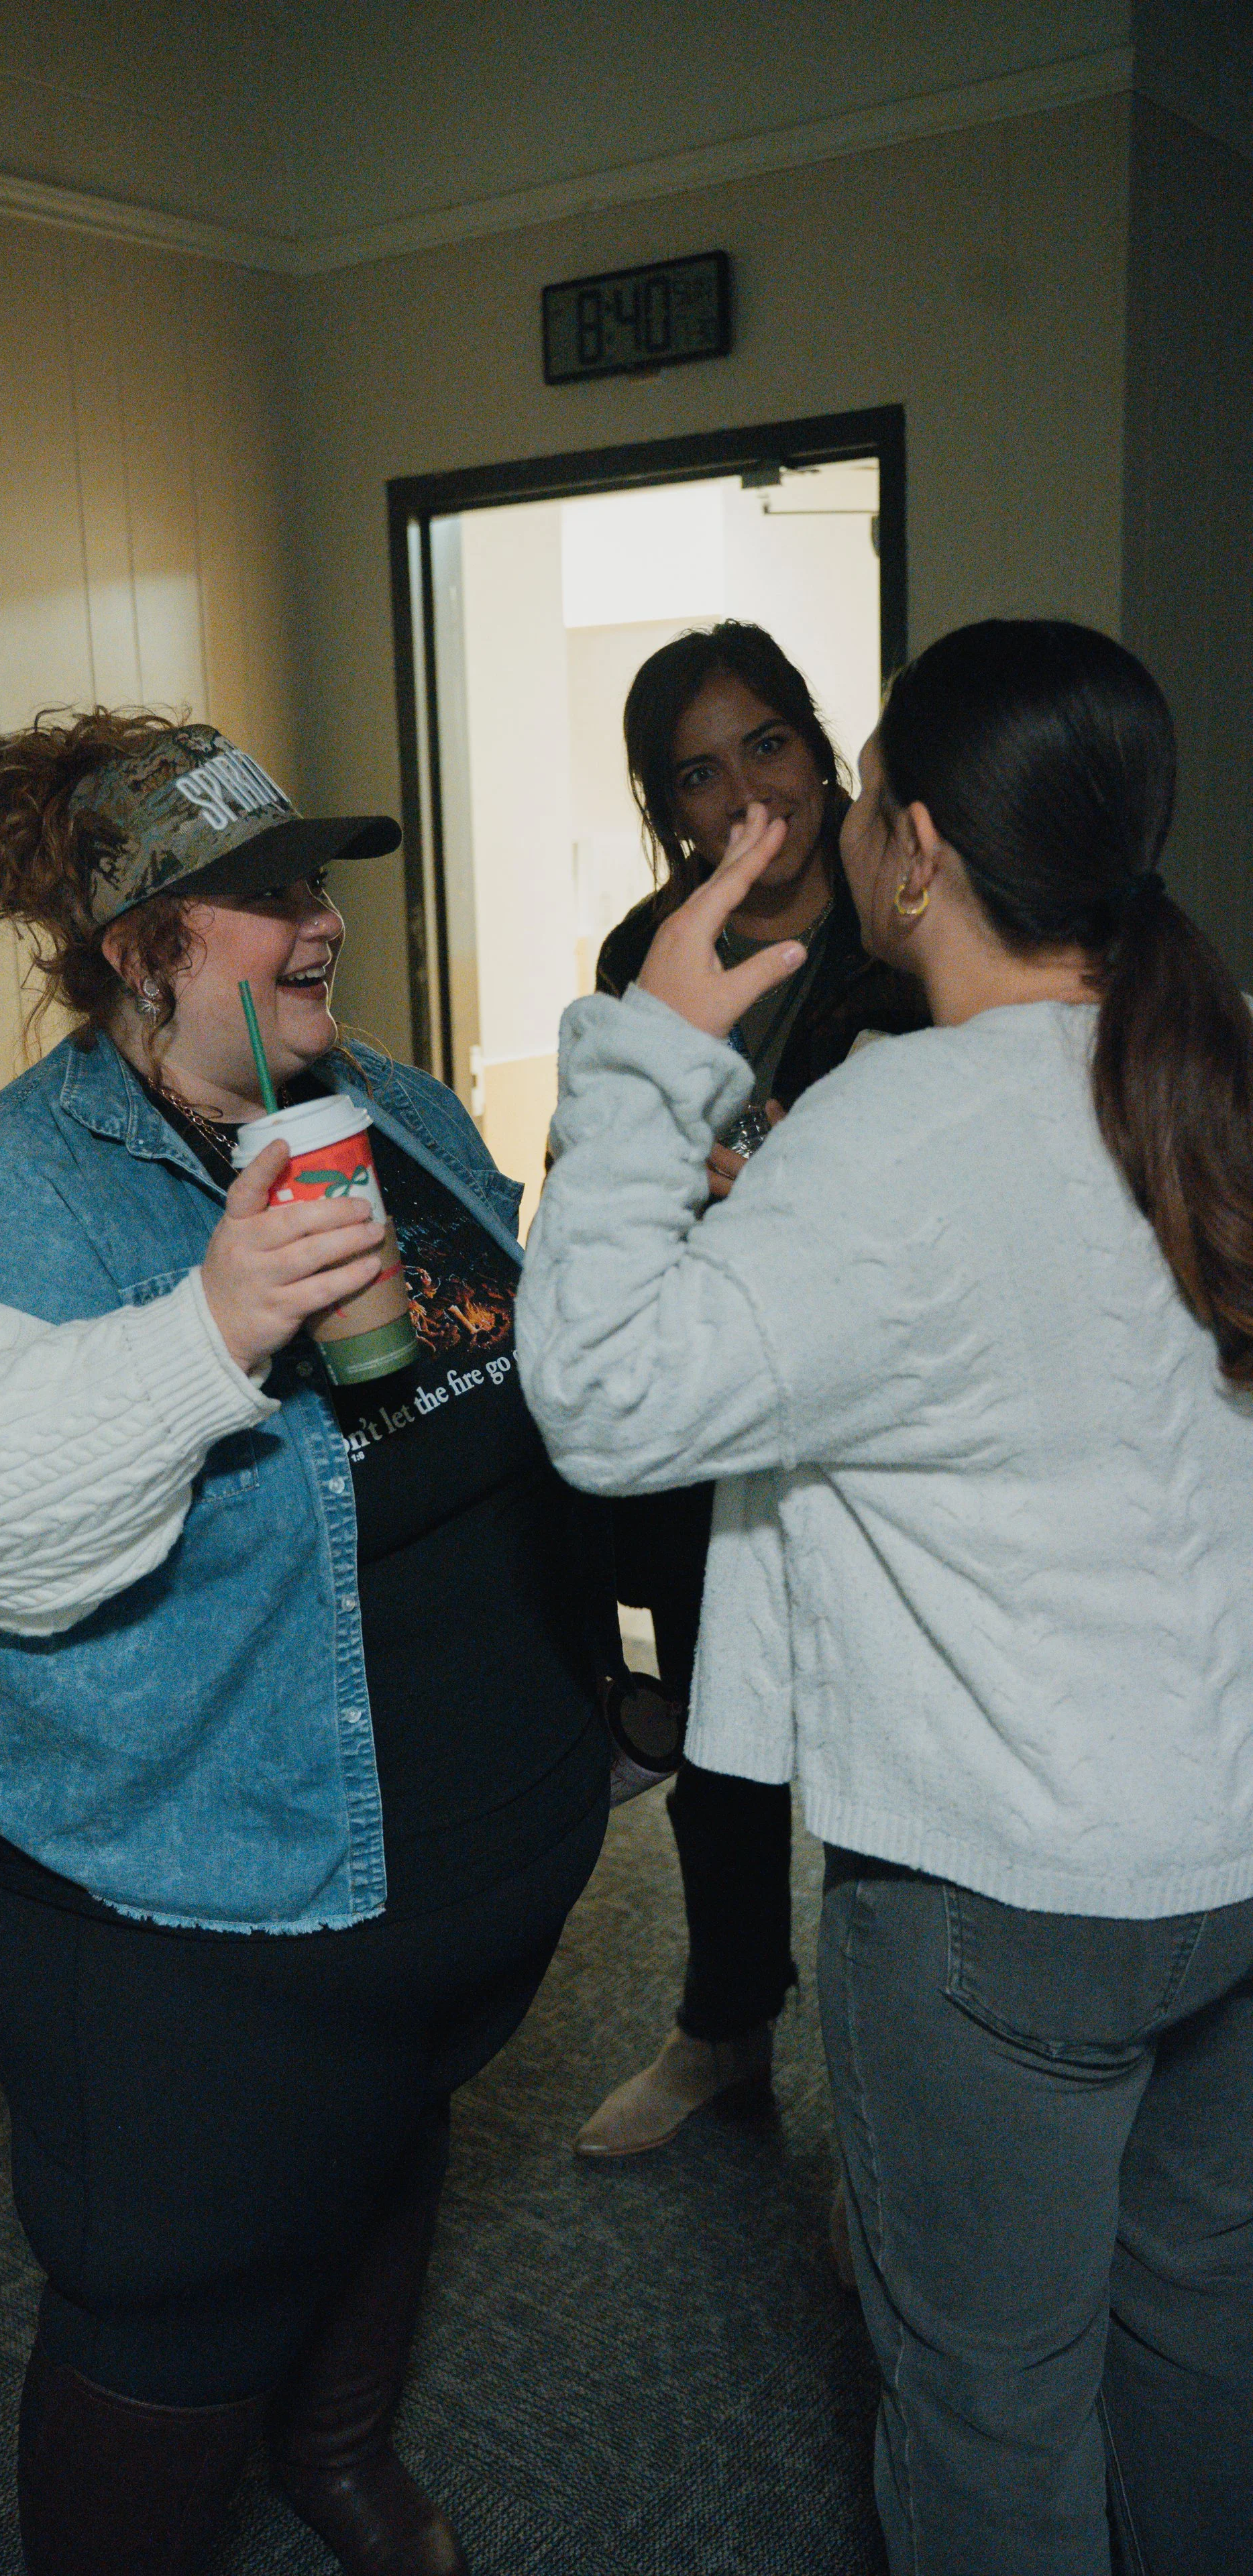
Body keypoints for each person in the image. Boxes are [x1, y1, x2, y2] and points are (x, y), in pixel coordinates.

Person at [0, 712, 610, 2576]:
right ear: (138, 945)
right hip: (182, 1903)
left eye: (311, 881)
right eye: (259, 897)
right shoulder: (7, 1196)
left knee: (379, 2143)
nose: (315, 922)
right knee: (174, 2292)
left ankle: (339, 2454)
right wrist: (208, 1328)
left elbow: (516, 1384)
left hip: (435, 1858)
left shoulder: (394, 1114)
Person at [516, 620, 1253, 2575]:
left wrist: (652, 1056)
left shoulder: (885, 1132)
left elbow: (595, 1399)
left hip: (998, 1905)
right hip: (1229, 1858)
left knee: (990, 2410)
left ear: (909, 845)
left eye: (836, 790)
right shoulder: (1215, 1056)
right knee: (1195, 2338)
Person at [578, 621, 926, 2161]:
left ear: (817, 741)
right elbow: (613, 1170)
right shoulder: (647, 950)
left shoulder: (904, 927)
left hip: (867, 1413)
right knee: (722, 1736)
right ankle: (721, 2028)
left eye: (766, 745)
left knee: (879, 1754)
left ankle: (884, 2112)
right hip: (711, 1386)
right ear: (669, 808)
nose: (742, 796)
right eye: (696, 774)